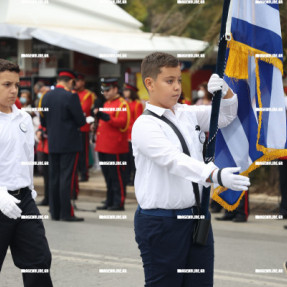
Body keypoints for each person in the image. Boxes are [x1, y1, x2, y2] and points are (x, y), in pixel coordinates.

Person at [132, 52, 250, 287]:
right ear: (149, 83)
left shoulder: (186, 112)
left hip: (196, 217)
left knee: (200, 283)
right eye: (169, 81)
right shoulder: (144, 125)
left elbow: (225, 116)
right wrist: (214, 174)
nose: (177, 87)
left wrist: (225, 91)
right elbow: (173, 159)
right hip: (162, 222)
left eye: (179, 79)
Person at [0, 58, 53, 286]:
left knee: (39, 260)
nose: (14, 91)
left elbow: (26, 157)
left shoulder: (23, 118)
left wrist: (29, 189)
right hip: (0, 200)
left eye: (16, 84)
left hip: (24, 200)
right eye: (6, 85)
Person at [40, 69, 86, 222]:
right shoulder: (71, 96)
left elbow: (43, 122)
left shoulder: (46, 97)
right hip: (69, 144)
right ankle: (66, 213)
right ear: (71, 81)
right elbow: (80, 121)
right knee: (67, 178)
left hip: (53, 143)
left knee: (54, 177)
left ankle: (55, 212)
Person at [95, 78, 130, 211]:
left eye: (108, 90)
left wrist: (106, 118)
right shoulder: (107, 103)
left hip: (114, 147)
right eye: (103, 90)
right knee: (108, 176)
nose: (105, 93)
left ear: (115, 89)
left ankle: (119, 202)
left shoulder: (122, 104)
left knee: (117, 177)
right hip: (103, 146)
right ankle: (109, 200)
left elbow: (123, 123)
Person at [74, 73, 95, 182]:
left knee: (83, 153)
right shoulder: (72, 93)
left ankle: (84, 174)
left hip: (83, 127)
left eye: (78, 81)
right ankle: (77, 173)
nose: (76, 83)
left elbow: (84, 109)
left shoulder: (88, 94)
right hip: (73, 128)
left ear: (83, 82)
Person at [123, 83, 143, 185]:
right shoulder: (124, 103)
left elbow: (137, 120)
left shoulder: (137, 104)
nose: (124, 92)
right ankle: (126, 178)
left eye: (127, 90)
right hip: (124, 135)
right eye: (124, 90)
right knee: (126, 159)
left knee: (132, 159)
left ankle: (134, 178)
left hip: (132, 135)